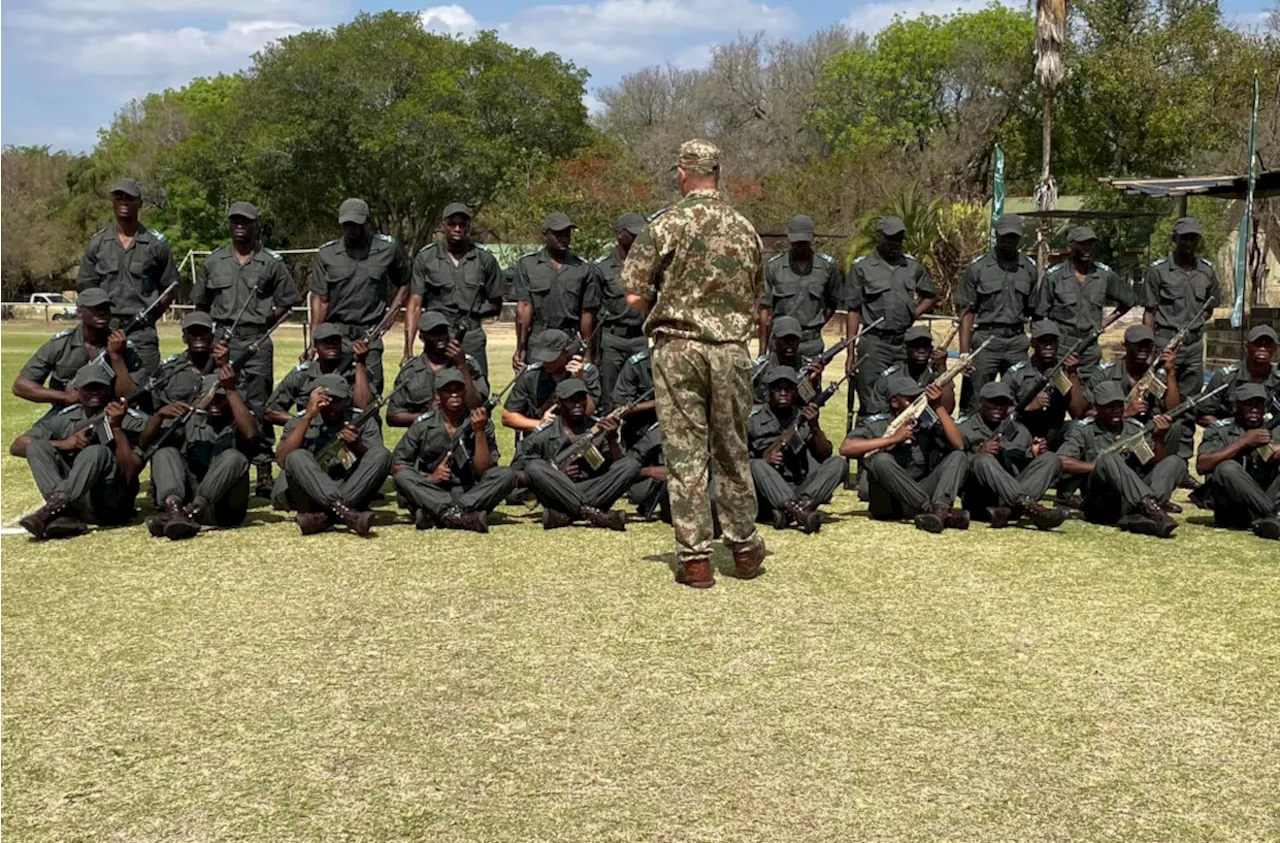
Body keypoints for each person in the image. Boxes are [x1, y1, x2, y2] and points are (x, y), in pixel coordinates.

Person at [622, 138, 767, 588]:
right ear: (718, 174)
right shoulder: (746, 229)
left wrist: (667, 318)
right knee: (732, 449)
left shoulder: (665, 226)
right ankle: (743, 548)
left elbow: (633, 294)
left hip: (679, 350)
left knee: (685, 455)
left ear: (682, 174)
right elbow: (757, 297)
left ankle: (696, 560)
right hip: (731, 351)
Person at [192, 201, 301, 495]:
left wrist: (264, 322)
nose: (240, 225)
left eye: (246, 221)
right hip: (222, 340)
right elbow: (200, 304)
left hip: (257, 342)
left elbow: (288, 301)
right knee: (215, 399)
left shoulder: (271, 263)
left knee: (257, 405)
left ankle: (263, 468)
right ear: (229, 225)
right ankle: (212, 459)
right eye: (235, 221)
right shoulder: (213, 261)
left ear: (255, 225)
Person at [10, 362, 148, 540]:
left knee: (96, 452)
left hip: (112, 503)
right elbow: (17, 446)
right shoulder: (67, 417)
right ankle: (63, 513)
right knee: (38, 446)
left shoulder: (132, 420)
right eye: (88, 388)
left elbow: (131, 470)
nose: (95, 394)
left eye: (100, 388)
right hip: (80, 504)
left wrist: (117, 428)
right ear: (77, 390)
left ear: (110, 390)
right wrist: (64, 443)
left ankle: (53, 509)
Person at [141, 364, 259, 540]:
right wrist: (158, 417)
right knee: (165, 452)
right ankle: (174, 510)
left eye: (220, 398)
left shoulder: (240, 421)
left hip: (224, 509)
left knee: (233, 457)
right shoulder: (193, 419)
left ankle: (192, 514)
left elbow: (251, 435)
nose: (214, 403)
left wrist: (230, 391)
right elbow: (146, 444)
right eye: (209, 398)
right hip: (189, 498)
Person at [839, 376, 968, 532]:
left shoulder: (925, 422)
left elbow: (958, 444)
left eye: (919, 398)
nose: (916, 404)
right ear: (894, 402)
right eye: (910, 400)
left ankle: (940, 510)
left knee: (958, 456)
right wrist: (893, 439)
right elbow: (846, 448)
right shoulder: (878, 424)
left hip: (919, 489)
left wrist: (938, 406)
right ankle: (929, 511)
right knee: (881, 460)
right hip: (889, 503)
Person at [391, 371, 515, 532]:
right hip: (433, 491)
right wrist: (430, 478)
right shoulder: (422, 425)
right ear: (438, 395)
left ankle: (441, 513)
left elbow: (484, 470)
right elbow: (398, 464)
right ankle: (463, 515)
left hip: (470, 491)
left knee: (507, 475)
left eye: (459, 389)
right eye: (448, 390)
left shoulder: (482, 422)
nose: (454, 394)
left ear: (465, 392)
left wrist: (479, 432)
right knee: (402, 478)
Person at [75, 178, 178, 372]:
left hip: (142, 333)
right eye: (118, 197)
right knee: (100, 389)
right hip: (105, 330)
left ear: (140, 202)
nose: (124, 202)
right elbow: (86, 285)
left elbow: (169, 289)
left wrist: (147, 317)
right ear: (113, 202)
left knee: (146, 391)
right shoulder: (98, 243)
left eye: (129, 198)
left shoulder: (156, 244)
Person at [308, 198, 409, 395]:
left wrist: (391, 316)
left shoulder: (387, 249)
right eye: (347, 224)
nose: (351, 228)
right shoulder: (327, 254)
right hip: (334, 336)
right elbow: (321, 300)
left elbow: (405, 282)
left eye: (356, 224)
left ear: (367, 222)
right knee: (331, 395)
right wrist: (314, 342)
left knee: (369, 395)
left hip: (369, 335)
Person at [512, 379, 641, 531]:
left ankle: (567, 514)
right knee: (535, 467)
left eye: (581, 399)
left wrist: (612, 439)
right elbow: (521, 474)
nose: (578, 404)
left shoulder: (598, 428)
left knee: (631, 465)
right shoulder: (542, 435)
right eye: (571, 400)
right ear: (558, 402)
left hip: (593, 487)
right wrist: (557, 475)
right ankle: (594, 514)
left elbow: (618, 466)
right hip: (557, 494)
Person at [1057, 381, 1182, 537]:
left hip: (1130, 499)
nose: (1116, 410)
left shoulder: (1134, 428)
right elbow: (1061, 460)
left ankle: (1142, 513)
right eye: (1109, 406)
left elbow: (1153, 459)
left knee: (1175, 462)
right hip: (1101, 501)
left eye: (1119, 405)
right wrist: (1098, 466)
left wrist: (1159, 438)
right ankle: (1149, 509)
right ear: (1096, 407)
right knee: (1109, 459)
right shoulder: (1084, 430)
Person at [273, 374, 391, 537]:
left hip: (349, 488)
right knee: (297, 456)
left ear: (347, 400)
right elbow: (282, 459)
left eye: (338, 400)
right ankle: (347, 513)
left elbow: (376, 462)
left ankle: (326, 517)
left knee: (382, 453)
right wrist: (308, 416)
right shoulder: (299, 419)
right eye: (326, 400)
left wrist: (356, 446)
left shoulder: (361, 419)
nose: (332, 405)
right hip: (307, 492)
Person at [846, 215, 940, 416]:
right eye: (890, 238)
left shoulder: (911, 266)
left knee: (905, 398)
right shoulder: (861, 267)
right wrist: (850, 352)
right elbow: (853, 309)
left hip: (904, 344)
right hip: (874, 344)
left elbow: (931, 295)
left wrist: (912, 313)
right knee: (871, 402)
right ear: (878, 237)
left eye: (899, 238)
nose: (895, 243)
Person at [403, 203, 504, 377]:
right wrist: (408, 349)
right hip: (437, 335)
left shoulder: (485, 259)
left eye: (462, 224)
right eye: (452, 224)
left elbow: (496, 304)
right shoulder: (426, 257)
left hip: (471, 335)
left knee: (476, 388)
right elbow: (415, 305)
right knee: (434, 389)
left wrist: (472, 313)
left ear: (468, 227)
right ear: (443, 226)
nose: (457, 228)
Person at [955, 381, 1067, 529]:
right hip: (979, 498)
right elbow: (952, 465)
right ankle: (1025, 505)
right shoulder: (964, 429)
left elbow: (1022, 466)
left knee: (1051, 459)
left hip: (1009, 492)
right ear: (981, 402)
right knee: (984, 459)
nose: (998, 407)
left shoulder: (1019, 430)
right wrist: (978, 455)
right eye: (992, 402)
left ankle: (1008, 512)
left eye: (1003, 403)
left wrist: (1034, 454)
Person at [955, 213, 1038, 413]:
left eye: (1013, 237)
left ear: (1019, 239)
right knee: (976, 398)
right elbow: (966, 312)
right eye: (1005, 236)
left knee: (1022, 397)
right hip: (985, 342)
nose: (1009, 242)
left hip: (1017, 342)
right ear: (996, 236)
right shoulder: (978, 268)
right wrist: (965, 353)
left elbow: (1035, 311)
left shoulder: (1028, 269)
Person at [14, 288, 142, 416]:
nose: (102, 312)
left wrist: (117, 357)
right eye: (95, 308)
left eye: (105, 308)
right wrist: (65, 397)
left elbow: (131, 398)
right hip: (67, 414)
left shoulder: (123, 346)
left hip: (111, 414)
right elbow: (20, 386)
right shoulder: (61, 344)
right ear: (79, 312)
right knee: (28, 437)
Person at [747, 366, 844, 533]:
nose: (783, 392)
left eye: (788, 388)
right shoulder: (752, 422)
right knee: (756, 465)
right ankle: (799, 512)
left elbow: (825, 453)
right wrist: (764, 460)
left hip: (799, 487)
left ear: (796, 391)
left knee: (838, 463)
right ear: (769, 390)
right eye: (778, 388)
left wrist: (814, 427)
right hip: (767, 491)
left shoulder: (803, 417)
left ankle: (793, 511)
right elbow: (734, 462)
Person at [1033, 226, 1134, 381]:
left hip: (1090, 348)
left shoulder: (1104, 275)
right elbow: (1040, 315)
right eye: (1082, 244)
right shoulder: (1054, 277)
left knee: (1089, 393)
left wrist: (1105, 322)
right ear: (1070, 247)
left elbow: (1129, 300)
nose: (1088, 249)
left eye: (1091, 244)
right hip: (1061, 348)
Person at [512, 212, 601, 373]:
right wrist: (521, 347)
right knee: (536, 389)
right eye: (558, 234)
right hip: (539, 339)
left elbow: (587, 313)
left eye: (567, 234)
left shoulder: (583, 268)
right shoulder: (528, 265)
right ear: (545, 235)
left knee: (571, 391)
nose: (564, 238)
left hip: (569, 341)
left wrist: (587, 352)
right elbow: (524, 308)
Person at [1141, 217, 1219, 399]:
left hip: (1194, 346)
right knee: (1158, 395)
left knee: (1190, 398)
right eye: (1184, 238)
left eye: (1193, 238)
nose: (1189, 243)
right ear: (1174, 239)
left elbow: (1209, 309)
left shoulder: (1207, 271)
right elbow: (1149, 312)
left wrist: (1191, 330)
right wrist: (1149, 346)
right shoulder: (1158, 271)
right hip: (1166, 343)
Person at [1195, 384, 1280, 539]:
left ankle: (1271, 519)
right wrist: (1243, 443)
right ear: (1236, 406)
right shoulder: (1220, 429)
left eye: (1259, 404)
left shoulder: (1275, 428)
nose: (1254, 409)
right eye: (1248, 403)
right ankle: (1273, 516)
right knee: (1226, 468)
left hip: (1267, 494)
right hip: (1233, 509)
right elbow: (1201, 465)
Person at [759, 215, 845, 359]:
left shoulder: (827, 267)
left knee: (810, 382)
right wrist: (762, 353)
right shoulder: (773, 267)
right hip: (779, 345)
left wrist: (815, 325)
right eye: (796, 242)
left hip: (810, 345)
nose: (800, 246)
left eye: (804, 242)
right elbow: (765, 312)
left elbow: (832, 303)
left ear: (812, 239)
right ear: (789, 239)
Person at [386, 312, 487, 426]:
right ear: (422, 337)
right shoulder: (410, 371)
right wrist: (428, 416)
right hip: (426, 437)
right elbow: (392, 417)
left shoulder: (468, 364)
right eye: (433, 333)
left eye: (443, 331)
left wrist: (461, 366)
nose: (440, 337)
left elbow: (476, 405)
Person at [595, 213, 650, 409]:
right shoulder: (602, 268)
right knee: (609, 398)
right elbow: (593, 311)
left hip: (640, 338)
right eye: (633, 234)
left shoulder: (649, 264)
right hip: (612, 341)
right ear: (619, 234)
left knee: (642, 393)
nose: (638, 239)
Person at [265, 324, 370, 425]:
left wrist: (360, 363)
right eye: (325, 342)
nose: (331, 346)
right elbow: (270, 412)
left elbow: (363, 408)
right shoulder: (301, 375)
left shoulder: (354, 372)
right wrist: (305, 422)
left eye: (335, 342)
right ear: (315, 347)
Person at [1004, 320, 1086, 448]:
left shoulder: (1065, 371)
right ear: (1032, 343)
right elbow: (999, 413)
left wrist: (1073, 374)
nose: (1048, 346)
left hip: (1053, 431)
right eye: (1043, 341)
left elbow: (1078, 413)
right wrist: (1027, 407)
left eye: (1052, 341)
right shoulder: (1015, 374)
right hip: (1024, 430)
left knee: (1079, 428)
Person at [501, 329, 601, 433]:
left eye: (551, 358)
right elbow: (507, 417)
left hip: (576, 435)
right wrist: (540, 424)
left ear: (566, 352)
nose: (546, 362)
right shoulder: (530, 375)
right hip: (541, 440)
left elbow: (589, 412)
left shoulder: (587, 373)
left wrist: (578, 381)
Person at [863, 325, 953, 417]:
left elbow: (948, 409)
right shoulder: (889, 379)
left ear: (931, 348)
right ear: (905, 348)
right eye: (915, 346)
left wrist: (942, 367)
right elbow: (876, 414)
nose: (921, 350)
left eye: (925, 345)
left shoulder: (937, 374)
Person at [1198, 325, 1280, 425]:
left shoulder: (1278, 380)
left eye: (1268, 344)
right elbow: (1202, 415)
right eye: (1257, 344)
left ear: (1275, 349)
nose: (1262, 348)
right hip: (1231, 435)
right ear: (1247, 347)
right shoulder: (1225, 378)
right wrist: (1226, 431)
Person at [752, 315, 823, 405]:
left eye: (794, 339)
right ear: (774, 339)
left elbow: (813, 404)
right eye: (784, 339)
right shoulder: (760, 368)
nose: (790, 344)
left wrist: (814, 383)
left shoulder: (808, 368)